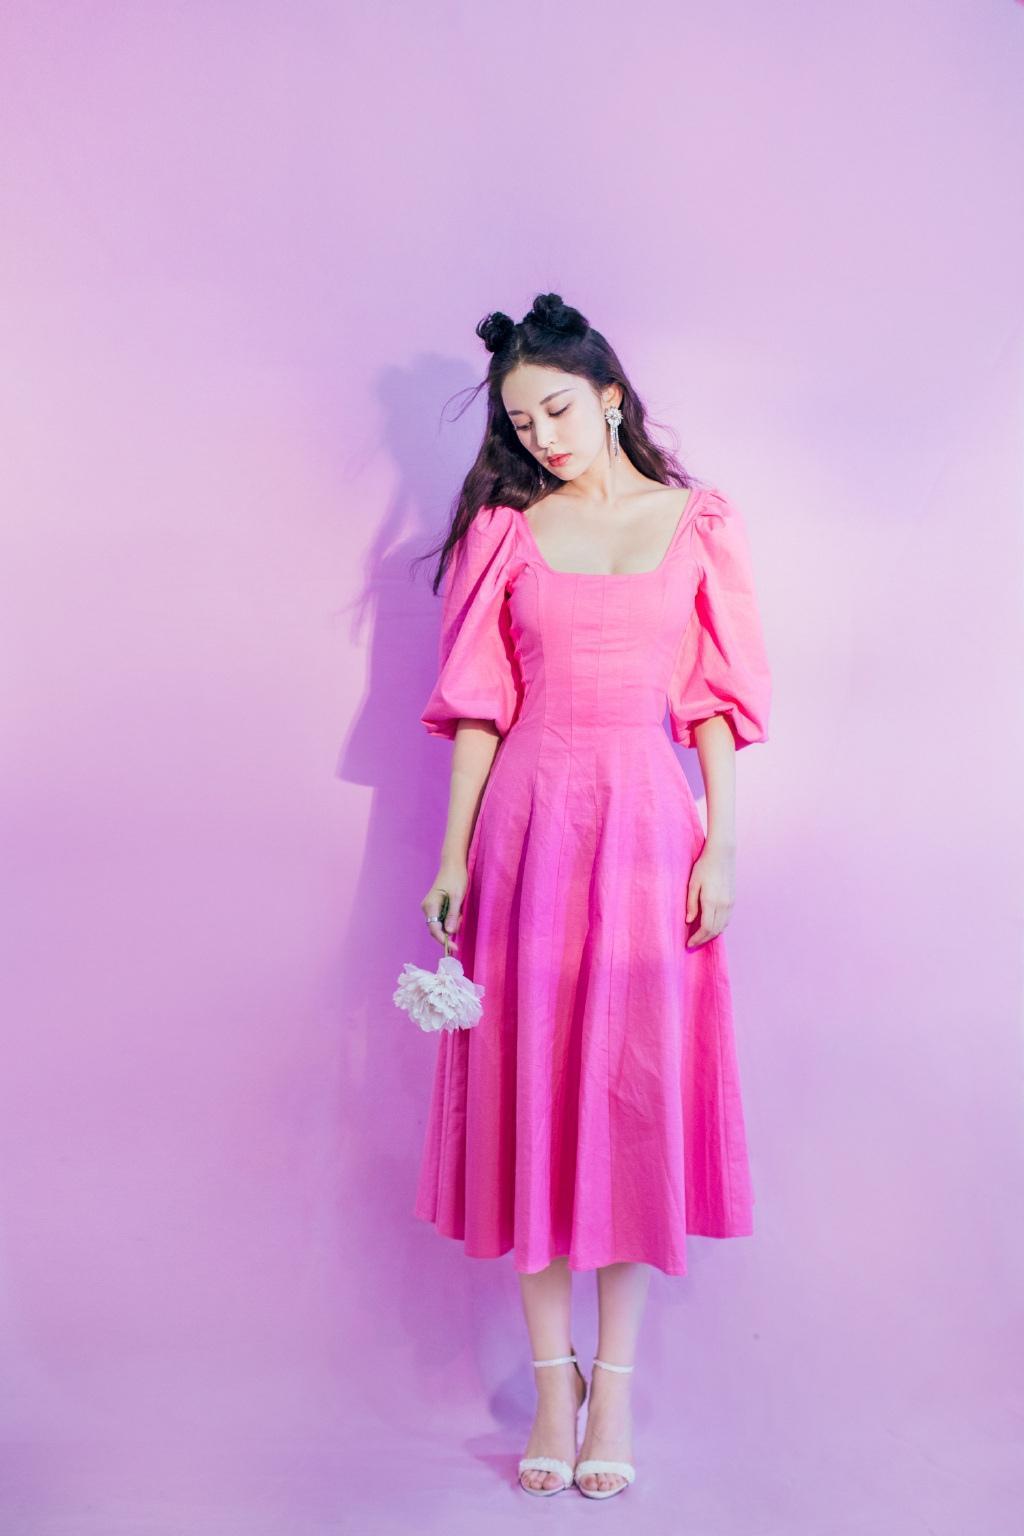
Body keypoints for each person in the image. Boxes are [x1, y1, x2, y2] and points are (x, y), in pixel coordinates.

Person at [411, 292, 772, 1498]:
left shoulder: (695, 521)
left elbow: (712, 704)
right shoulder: (506, 531)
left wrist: (721, 846)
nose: (544, 437)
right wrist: (453, 857)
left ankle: (612, 1385)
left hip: (648, 829)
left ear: (610, 396)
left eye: (558, 410)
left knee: (631, 1096)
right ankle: (550, 1383)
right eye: (522, 423)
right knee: (531, 1087)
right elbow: (478, 710)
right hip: (527, 830)